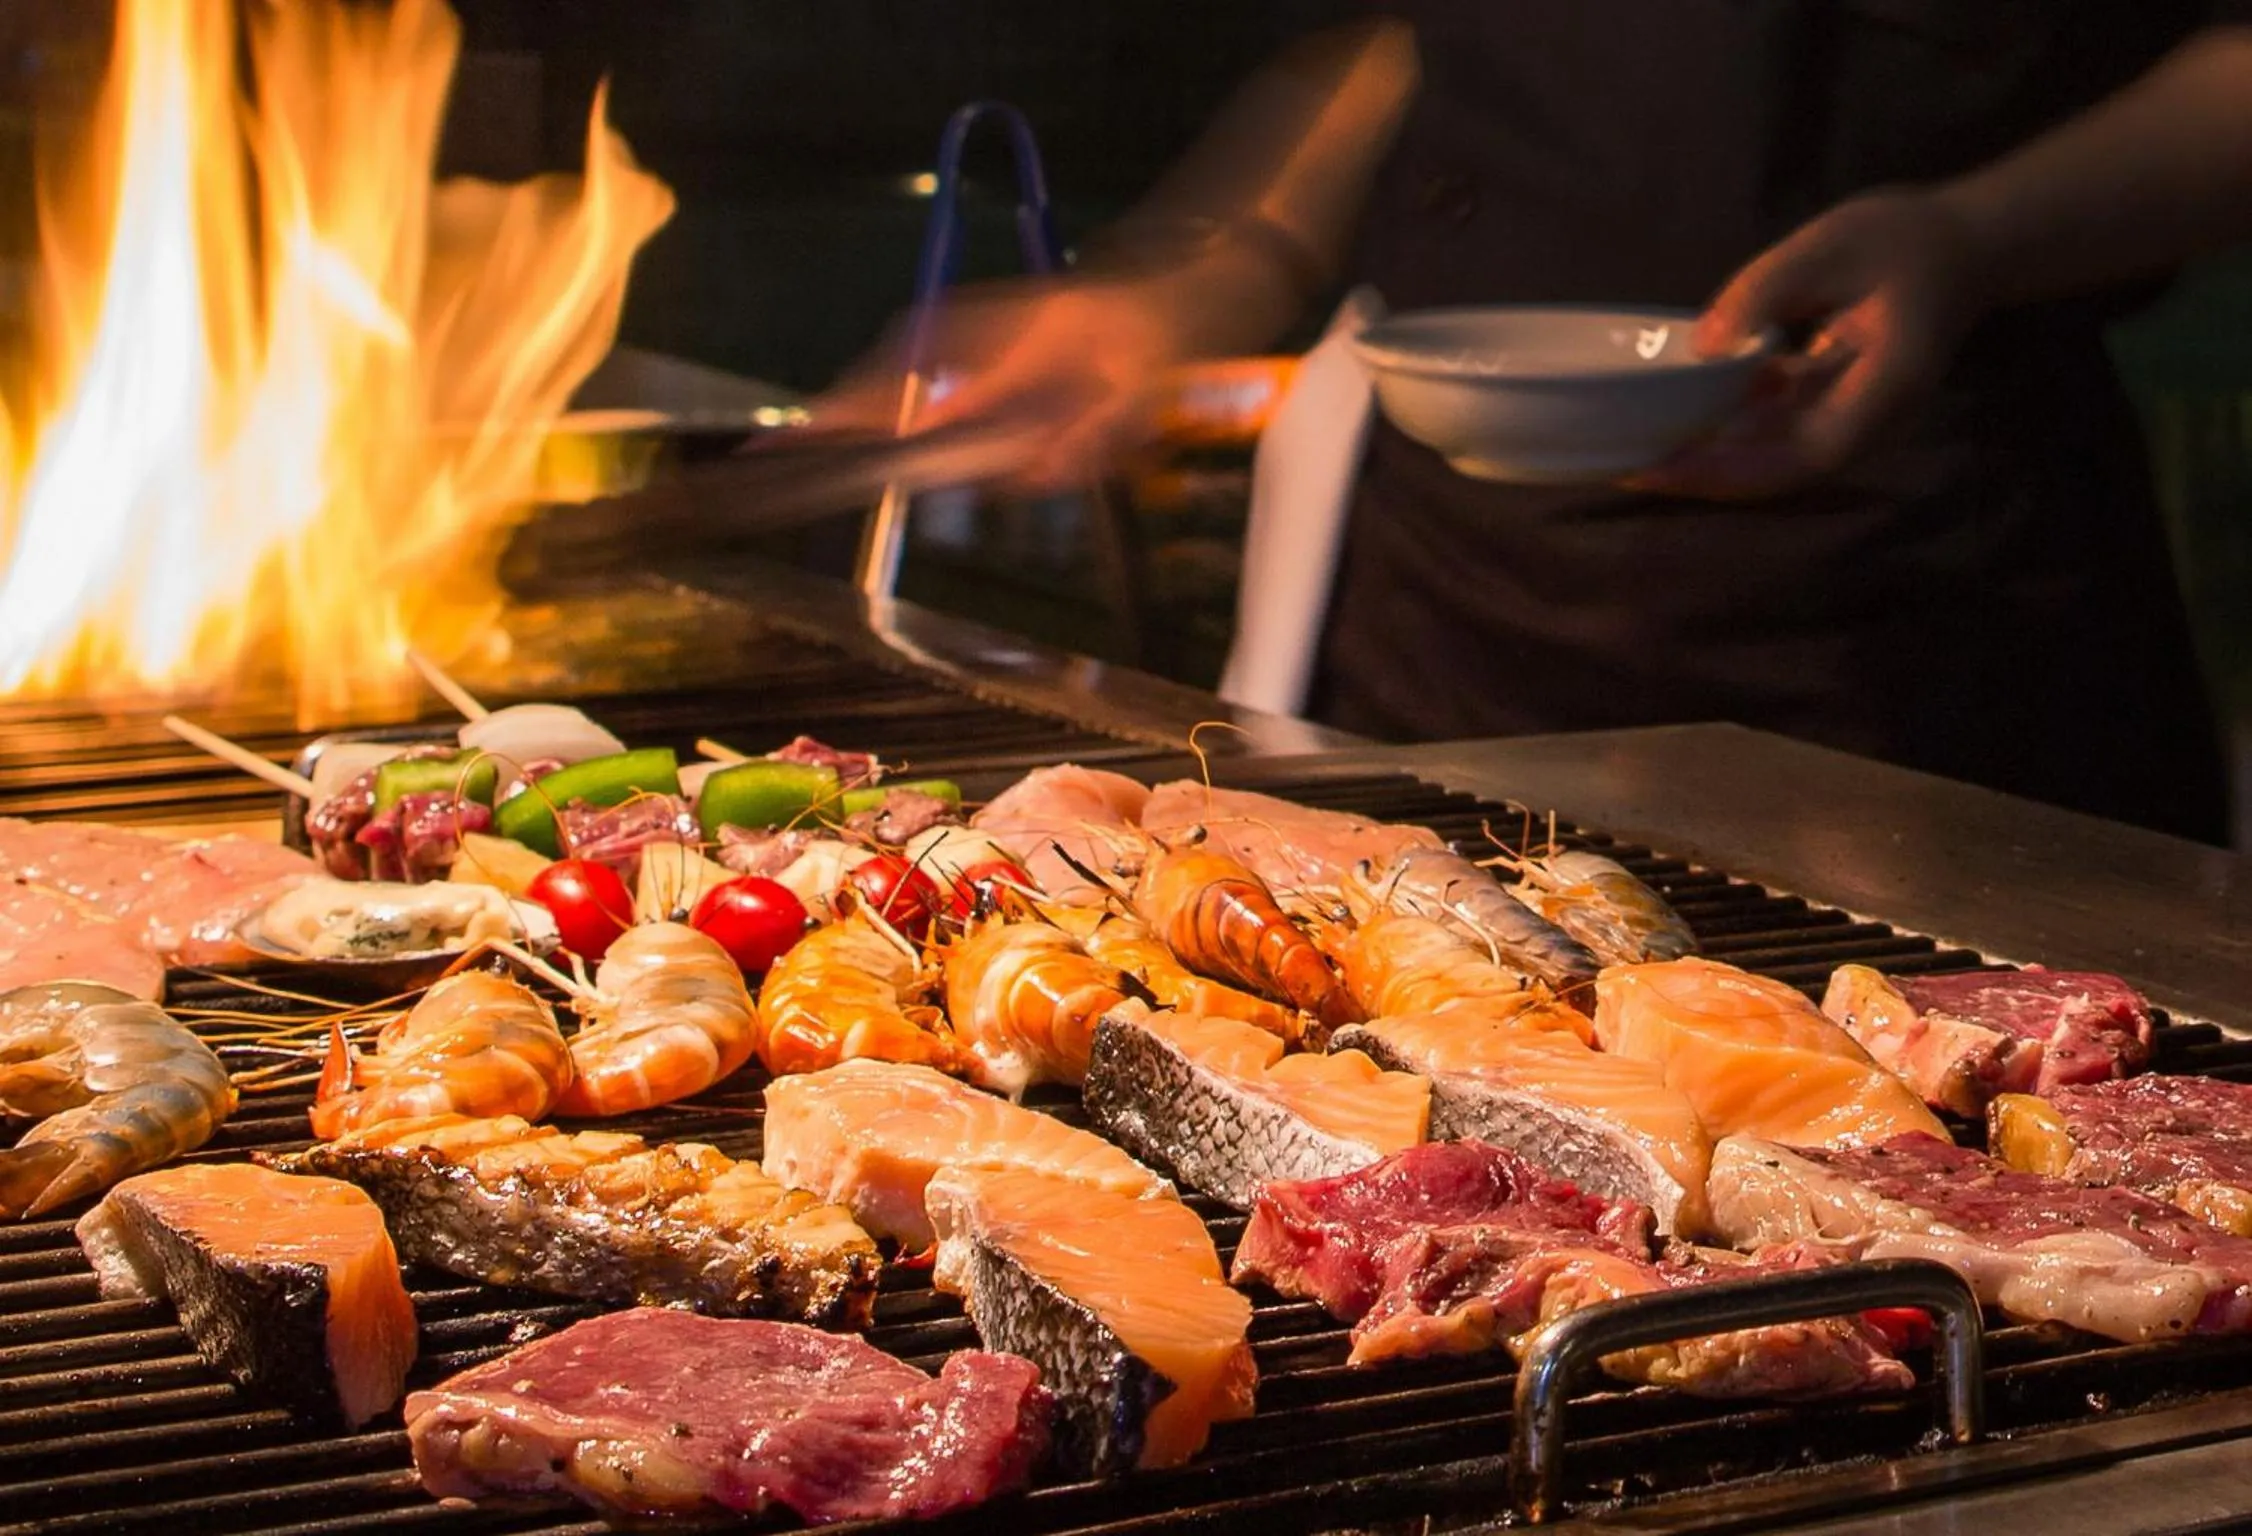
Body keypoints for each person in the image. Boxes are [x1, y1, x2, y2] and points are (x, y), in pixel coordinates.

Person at [827, 8, 2252, 844]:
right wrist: (1195, 276)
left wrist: (1972, 238)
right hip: (1445, 609)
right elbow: (1416, 43)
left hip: (1923, 628)